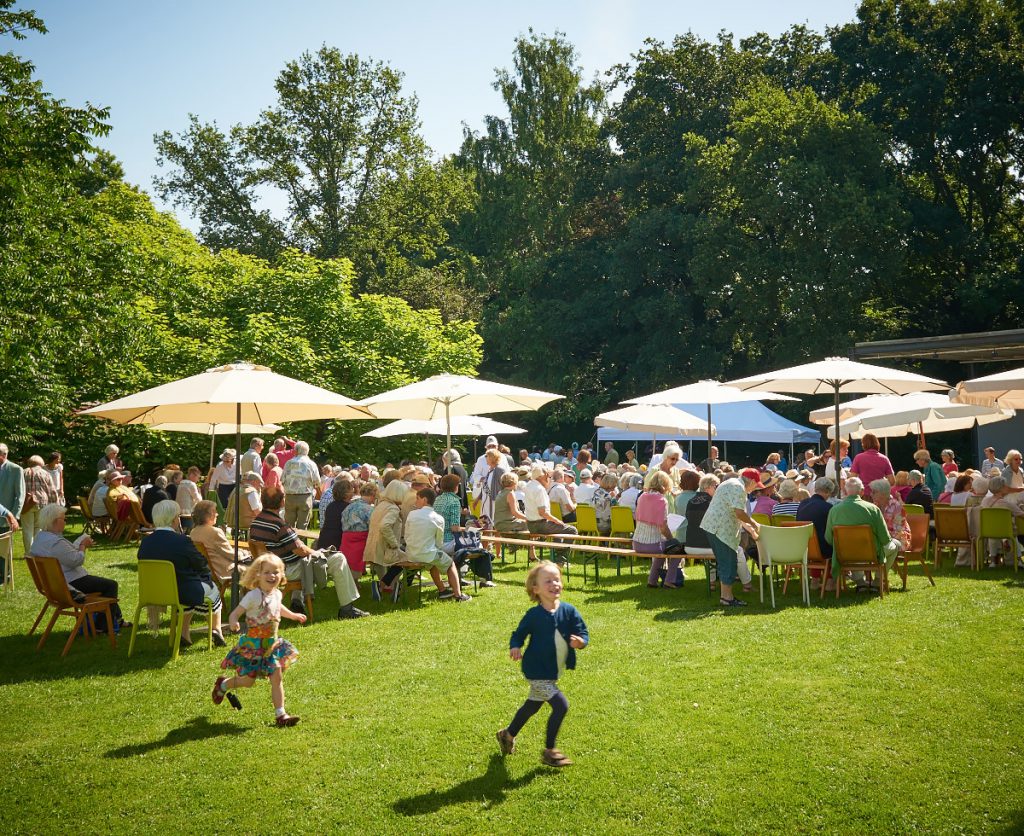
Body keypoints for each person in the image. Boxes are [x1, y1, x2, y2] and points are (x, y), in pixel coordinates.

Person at [496, 560, 588, 768]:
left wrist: (581, 642)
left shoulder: (569, 611)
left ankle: (507, 734)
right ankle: (550, 751)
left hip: (553, 670)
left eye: (557, 579)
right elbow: (518, 634)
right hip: (536, 670)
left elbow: (582, 632)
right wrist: (515, 646)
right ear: (535, 589)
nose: (554, 584)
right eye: (548, 581)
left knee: (533, 705)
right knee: (561, 705)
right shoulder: (534, 616)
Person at [213, 553, 305, 726]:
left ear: (282, 575)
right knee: (247, 682)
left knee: (276, 677)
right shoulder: (253, 596)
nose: (272, 576)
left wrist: (293, 615)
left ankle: (281, 715)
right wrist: (233, 621)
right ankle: (223, 685)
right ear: (257, 575)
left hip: (271, 645)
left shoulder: (277, 594)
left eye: (276, 572)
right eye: (267, 572)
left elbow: (278, 607)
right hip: (253, 646)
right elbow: (236, 612)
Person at [250, 488, 368, 620]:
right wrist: (318, 553)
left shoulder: (257, 522)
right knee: (338, 558)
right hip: (287, 569)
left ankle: (297, 601)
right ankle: (347, 608)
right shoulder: (278, 524)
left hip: (271, 567)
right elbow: (300, 550)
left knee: (304, 559)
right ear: (282, 502)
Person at [138, 500, 226, 649]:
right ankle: (216, 629)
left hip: (153, 593)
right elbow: (201, 565)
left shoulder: (145, 542)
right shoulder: (182, 541)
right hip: (182, 592)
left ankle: (184, 634)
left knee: (190, 588)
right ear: (174, 519)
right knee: (213, 589)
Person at [31, 503, 128, 631]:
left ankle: (116, 620)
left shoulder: (41, 538)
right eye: (64, 519)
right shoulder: (55, 543)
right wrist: (83, 545)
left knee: (104, 584)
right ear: (54, 521)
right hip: (69, 584)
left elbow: (65, 555)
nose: (65, 521)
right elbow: (77, 560)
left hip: (54, 585)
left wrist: (78, 545)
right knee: (110, 585)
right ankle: (103, 625)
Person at [825, 476, 903, 589]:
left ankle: (860, 583)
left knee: (852, 548)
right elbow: (885, 538)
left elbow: (828, 538)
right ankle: (877, 580)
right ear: (861, 492)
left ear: (846, 491)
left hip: (846, 553)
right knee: (895, 545)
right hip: (870, 553)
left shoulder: (834, 510)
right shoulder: (873, 509)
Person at [700, 470, 762, 606]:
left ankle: (725, 597)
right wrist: (753, 523)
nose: (755, 489)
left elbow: (735, 512)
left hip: (714, 527)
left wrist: (751, 530)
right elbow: (739, 512)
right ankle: (727, 598)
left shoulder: (731, 483)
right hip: (721, 529)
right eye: (756, 485)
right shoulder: (739, 488)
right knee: (729, 562)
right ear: (751, 481)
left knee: (725, 562)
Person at [399, 487, 471, 601]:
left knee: (434, 563)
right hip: (427, 553)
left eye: (417, 498)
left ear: (424, 500)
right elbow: (439, 542)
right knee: (450, 563)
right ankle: (458, 595)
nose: (415, 501)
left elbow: (406, 535)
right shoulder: (438, 518)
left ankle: (443, 590)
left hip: (411, 553)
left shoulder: (412, 514)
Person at [636, 470, 679, 589]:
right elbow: (663, 527)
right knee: (677, 547)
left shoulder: (642, 497)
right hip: (652, 544)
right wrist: (672, 539)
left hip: (637, 542)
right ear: (666, 485)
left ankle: (652, 580)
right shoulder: (661, 500)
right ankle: (669, 580)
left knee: (662, 549)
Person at [189, 500, 252, 578]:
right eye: (215, 511)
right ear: (209, 514)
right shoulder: (215, 532)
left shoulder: (193, 532)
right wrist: (246, 553)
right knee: (255, 570)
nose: (217, 514)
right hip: (222, 571)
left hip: (207, 571)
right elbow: (232, 555)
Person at [797, 477, 837, 583]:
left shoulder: (802, 504)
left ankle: (814, 580)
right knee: (832, 542)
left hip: (803, 547)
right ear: (828, 492)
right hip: (822, 550)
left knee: (816, 540)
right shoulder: (827, 507)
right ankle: (830, 582)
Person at [979, 475, 1024, 567]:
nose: (1008, 487)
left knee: (993, 536)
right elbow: (1021, 515)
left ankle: (992, 561)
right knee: (1015, 535)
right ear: (1001, 488)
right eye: (1006, 485)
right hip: (1007, 532)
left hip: (989, 531)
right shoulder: (1007, 504)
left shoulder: (984, 501)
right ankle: (1018, 560)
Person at [524, 465, 578, 538]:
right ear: (541, 476)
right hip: (541, 525)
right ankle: (562, 549)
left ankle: (557, 548)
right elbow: (543, 512)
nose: (548, 478)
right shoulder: (539, 489)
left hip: (530, 525)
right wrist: (557, 521)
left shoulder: (528, 486)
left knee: (559, 529)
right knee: (572, 530)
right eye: (547, 475)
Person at [20, 455, 57, 554]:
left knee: (27, 529)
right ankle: (37, 552)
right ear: (40, 464)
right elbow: (52, 491)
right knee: (39, 528)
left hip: (26, 504)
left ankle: (28, 553)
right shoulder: (45, 473)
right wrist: (55, 505)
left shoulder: (23, 472)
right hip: (42, 503)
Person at [281, 441, 321, 529]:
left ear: (296, 451)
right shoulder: (311, 464)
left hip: (290, 497)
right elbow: (317, 481)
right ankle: (301, 542)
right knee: (302, 526)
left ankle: (289, 542)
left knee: (289, 526)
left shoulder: (288, 463)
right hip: (305, 497)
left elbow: (282, 479)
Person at [340, 482, 376, 576]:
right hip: (360, 537)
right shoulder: (369, 509)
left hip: (346, 536)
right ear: (372, 495)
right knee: (356, 560)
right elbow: (374, 525)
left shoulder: (350, 505)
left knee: (348, 560)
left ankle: (351, 582)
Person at [870, 478, 911, 552]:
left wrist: (881, 537)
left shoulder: (897, 507)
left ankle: (881, 563)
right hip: (883, 540)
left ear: (882, 493)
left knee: (877, 549)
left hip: (899, 540)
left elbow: (899, 531)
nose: (871, 494)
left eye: (873, 492)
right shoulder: (874, 507)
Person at [850, 433, 895, 497]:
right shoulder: (884, 459)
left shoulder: (858, 457)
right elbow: (892, 481)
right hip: (880, 495)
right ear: (877, 443)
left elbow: (853, 478)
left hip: (863, 494)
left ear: (863, 444)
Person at [316, 478, 354, 551]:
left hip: (324, 540)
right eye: (351, 490)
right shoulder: (348, 508)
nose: (353, 492)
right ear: (346, 493)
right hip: (337, 544)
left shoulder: (331, 505)